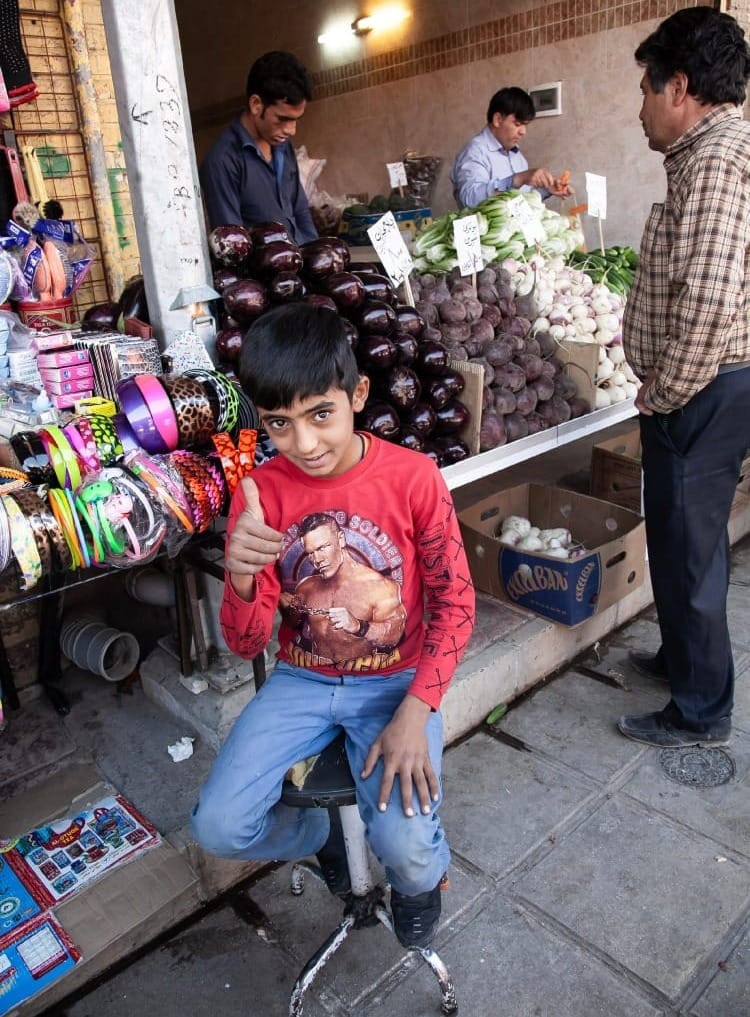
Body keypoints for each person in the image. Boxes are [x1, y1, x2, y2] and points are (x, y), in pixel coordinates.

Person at [191, 303, 476, 950]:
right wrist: (241, 578)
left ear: (358, 394)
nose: (305, 444)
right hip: (302, 680)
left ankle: (423, 881)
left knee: (406, 848)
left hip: (396, 682)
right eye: (279, 424)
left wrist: (416, 710)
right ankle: (317, 837)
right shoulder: (261, 495)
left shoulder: (414, 478)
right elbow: (245, 642)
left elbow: (456, 603)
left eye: (321, 414)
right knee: (218, 826)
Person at [618, 6, 750, 748]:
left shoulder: (719, 160)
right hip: (702, 384)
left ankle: (701, 711)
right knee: (676, 538)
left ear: (679, 87)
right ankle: (681, 661)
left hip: (705, 388)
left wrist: (664, 390)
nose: (640, 106)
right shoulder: (703, 155)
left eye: (646, 88)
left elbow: (708, 300)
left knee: (693, 549)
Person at [199, 50, 317, 245]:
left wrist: (315, 252)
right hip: (264, 264)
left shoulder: (284, 146)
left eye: (296, 120)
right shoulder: (222, 161)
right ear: (256, 105)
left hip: (299, 261)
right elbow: (233, 244)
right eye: (282, 119)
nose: (291, 130)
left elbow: (300, 211)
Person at [280, 512, 407, 668]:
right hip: (316, 673)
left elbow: (394, 635)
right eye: (311, 553)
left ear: (340, 539)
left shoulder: (379, 587)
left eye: (323, 548)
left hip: (366, 675)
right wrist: (288, 609)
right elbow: (293, 623)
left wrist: (358, 626)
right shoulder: (306, 587)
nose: (317, 560)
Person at [451, 86, 571, 209]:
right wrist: (517, 179)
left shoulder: (517, 156)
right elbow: (469, 199)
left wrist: (547, 190)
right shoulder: (475, 152)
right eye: (518, 124)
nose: (523, 131)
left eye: (525, 125)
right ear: (498, 120)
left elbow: (520, 202)